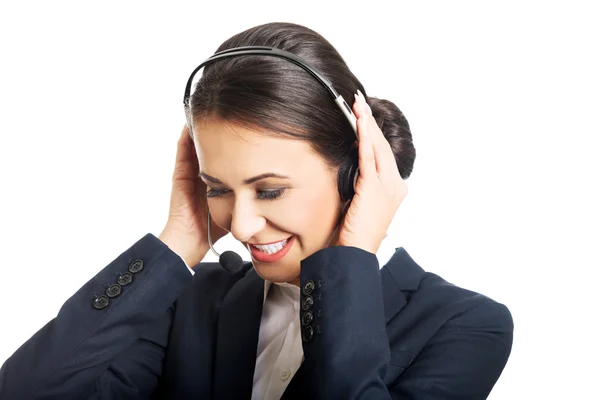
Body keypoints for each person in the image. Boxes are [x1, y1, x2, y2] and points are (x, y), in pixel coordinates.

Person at [0, 22, 513, 399]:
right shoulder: (186, 301)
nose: (240, 226)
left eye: (269, 191)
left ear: (356, 174)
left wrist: (349, 260)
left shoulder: (465, 325)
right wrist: (178, 240)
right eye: (218, 188)